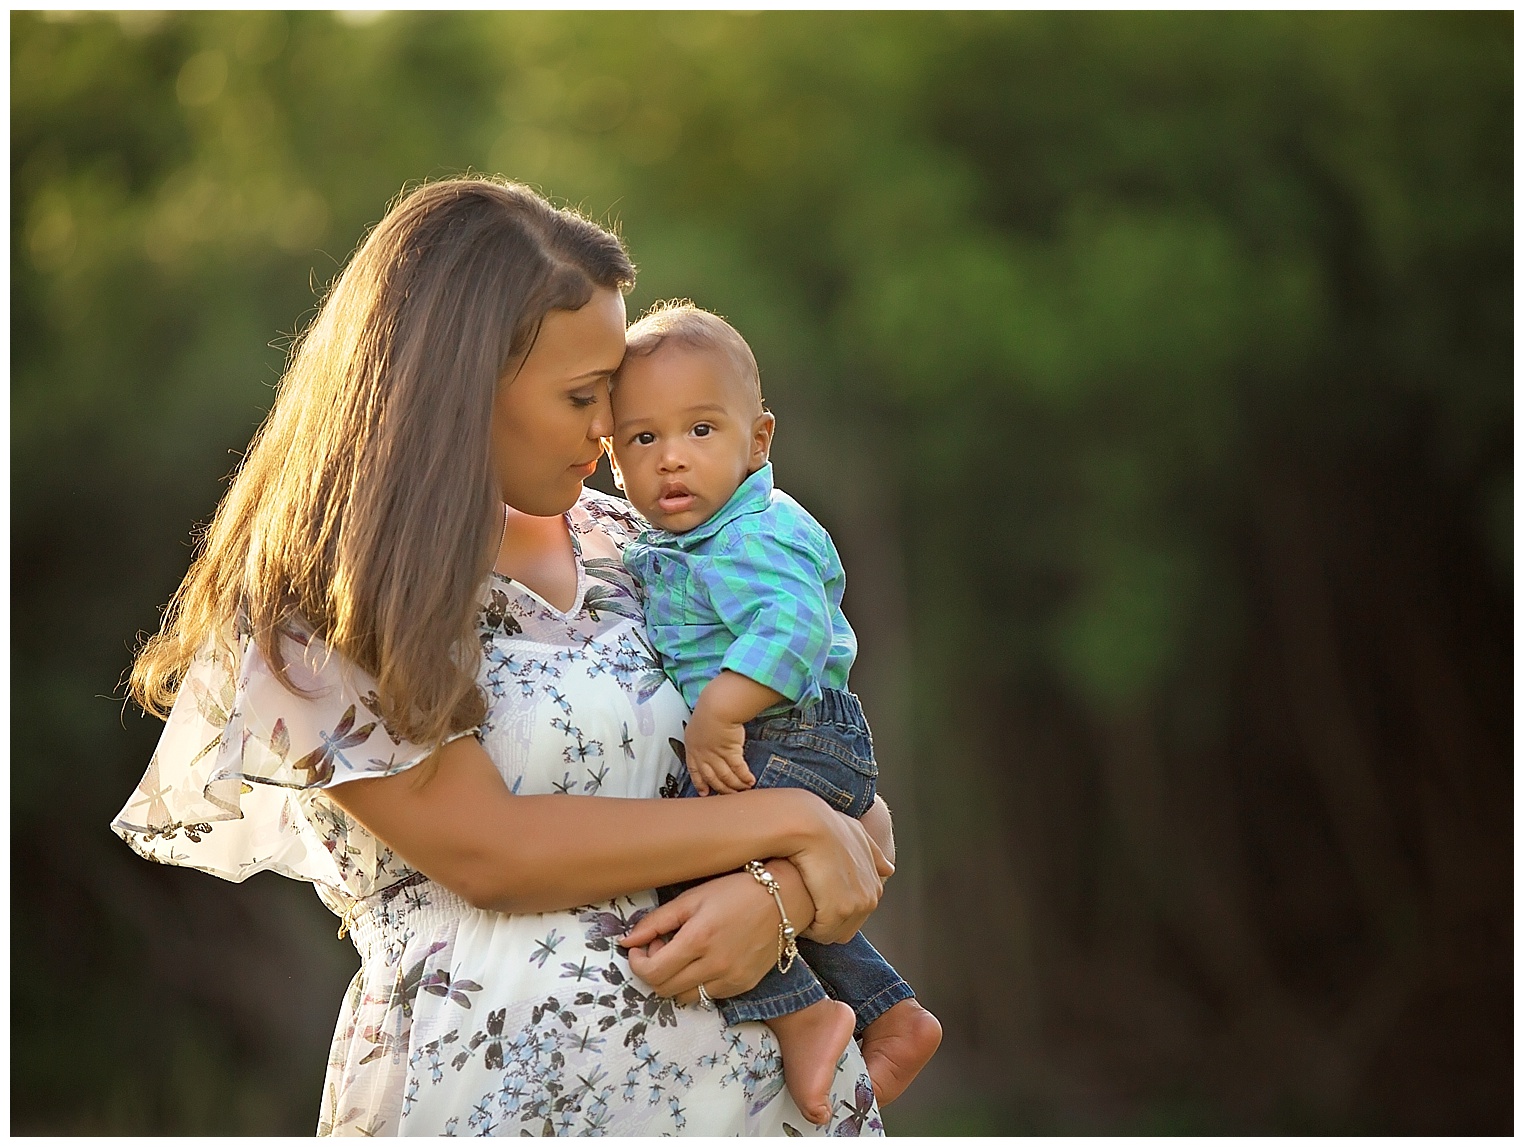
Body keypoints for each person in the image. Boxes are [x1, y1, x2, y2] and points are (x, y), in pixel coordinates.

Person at [112, 177, 894, 1137]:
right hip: (492, 1095)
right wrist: (791, 828)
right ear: (459, 386)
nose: (611, 428)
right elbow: (493, 850)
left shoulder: (639, 545)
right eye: (583, 394)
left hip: (740, 1099)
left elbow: (843, 801)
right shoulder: (318, 609)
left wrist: (777, 894)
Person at [606, 301, 942, 1124]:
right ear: (614, 461)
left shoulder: (753, 531)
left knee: (693, 855)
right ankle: (888, 1013)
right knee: (728, 861)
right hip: (788, 732)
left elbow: (792, 630)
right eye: (643, 440)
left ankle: (802, 1013)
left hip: (786, 727)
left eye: (700, 431)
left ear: (758, 441)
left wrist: (719, 712)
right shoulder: (672, 541)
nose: (671, 459)